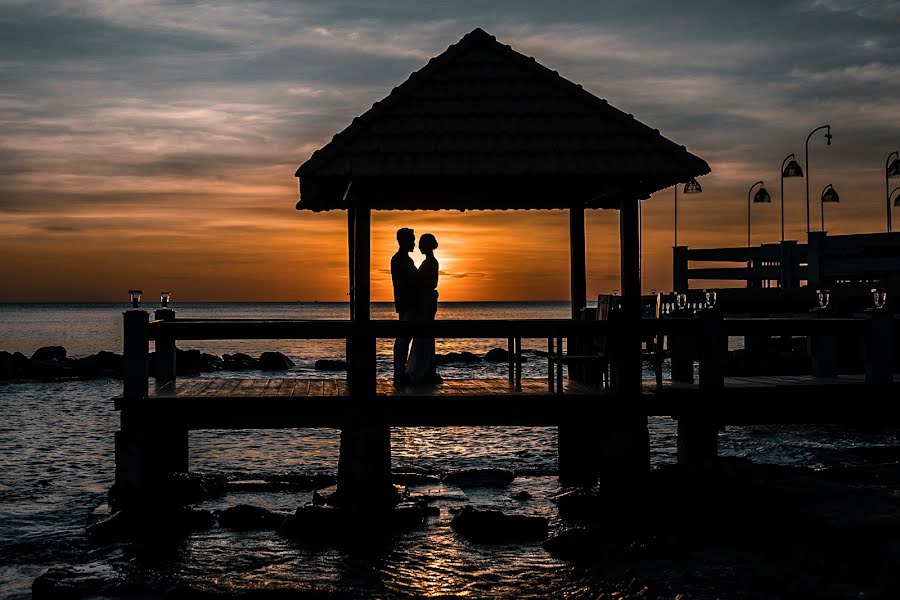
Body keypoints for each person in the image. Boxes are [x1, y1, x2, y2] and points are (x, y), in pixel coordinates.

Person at [406, 233, 441, 384]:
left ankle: (424, 370)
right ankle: (425, 369)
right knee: (425, 335)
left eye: (421, 244)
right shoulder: (430, 262)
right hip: (427, 301)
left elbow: (431, 283)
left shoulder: (430, 263)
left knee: (424, 334)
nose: (419, 246)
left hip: (426, 302)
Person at [390, 228, 417, 383]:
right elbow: (411, 283)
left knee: (403, 338)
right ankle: (399, 372)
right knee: (403, 339)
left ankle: (400, 371)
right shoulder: (402, 260)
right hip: (407, 303)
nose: (414, 243)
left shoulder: (401, 259)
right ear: (405, 241)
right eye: (412, 240)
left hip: (404, 303)